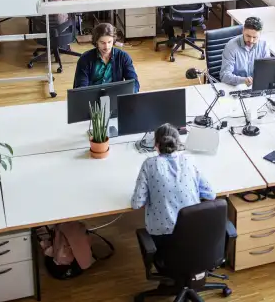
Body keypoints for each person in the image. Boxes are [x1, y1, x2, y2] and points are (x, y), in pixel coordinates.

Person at [131, 124, 215, 268]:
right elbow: (210, 194)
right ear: (178, 143)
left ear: (156, 145)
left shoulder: (149, 165)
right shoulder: (189, 160)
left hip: (164, 241)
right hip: (194, 235)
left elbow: (137, 203)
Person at [73, 23, 139, 91]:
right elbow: (80, 87)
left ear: (113, 40)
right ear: (96, 41)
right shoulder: (85, 59)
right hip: (92, 98)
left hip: (115, 96)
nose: (107, 47)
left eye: (109, 42)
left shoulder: (123, 57)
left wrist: (130, 94)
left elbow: (134, 82)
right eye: (102, 43)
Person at [219, 16, 269, 86]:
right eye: (248, 36)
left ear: (260, 35)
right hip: (235, 86)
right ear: (243, 31)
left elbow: (267, 71)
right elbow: (224, 76)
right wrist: (243, 80)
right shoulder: (231, 46)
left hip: (255, 86)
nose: (251, 40)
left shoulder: (263, 46)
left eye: (255, 37)